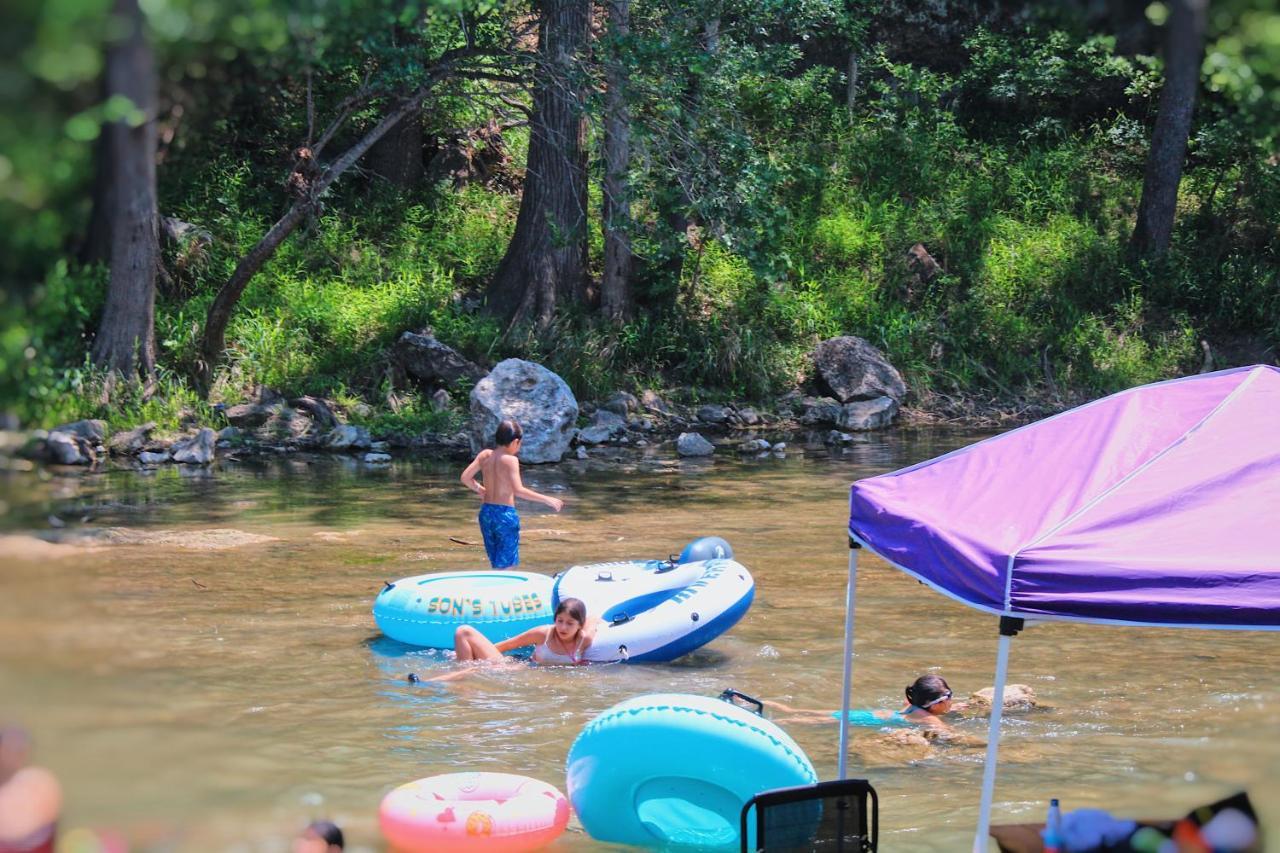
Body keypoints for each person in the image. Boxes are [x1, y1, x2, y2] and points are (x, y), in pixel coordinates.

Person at [460, 418, 564, 569]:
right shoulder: (510, 460)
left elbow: (465, 478)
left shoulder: (485, 455)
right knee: (508, 565)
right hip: (505, 515)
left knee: (496, 562)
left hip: (486, 513)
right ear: (516, 441)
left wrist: (481, 490)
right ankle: (502, 591)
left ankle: (494, 590)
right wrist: (547, 499)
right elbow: (518, 490)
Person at [420, 598, 598, 683]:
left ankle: (436, 681)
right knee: (464, 633)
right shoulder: (543, 633)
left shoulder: (584, 640)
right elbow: (507, 645)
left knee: (475, 671)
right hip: (517, 669)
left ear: (579, 625)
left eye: (570, 623)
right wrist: (477, 656)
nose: (563, 628)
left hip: (531, 681)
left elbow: (595, 618)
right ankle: (431, 682)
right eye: (559, 621)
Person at [761, 674, 965, 735]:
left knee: (798, 712)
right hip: (865, 720)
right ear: (934, 704)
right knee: (814, 722)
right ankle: (769, 724)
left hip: (867, 713)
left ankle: (765, 705)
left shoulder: (912, 706)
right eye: (949, 696)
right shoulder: (930, 721)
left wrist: (952, 708)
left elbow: (920, 708)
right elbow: (953, 735)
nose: (951, 700)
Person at [0, 727, 61, 853]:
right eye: (8, 750)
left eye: (18, 751)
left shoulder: (39, 784)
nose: (12, 756)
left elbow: (28, 831)